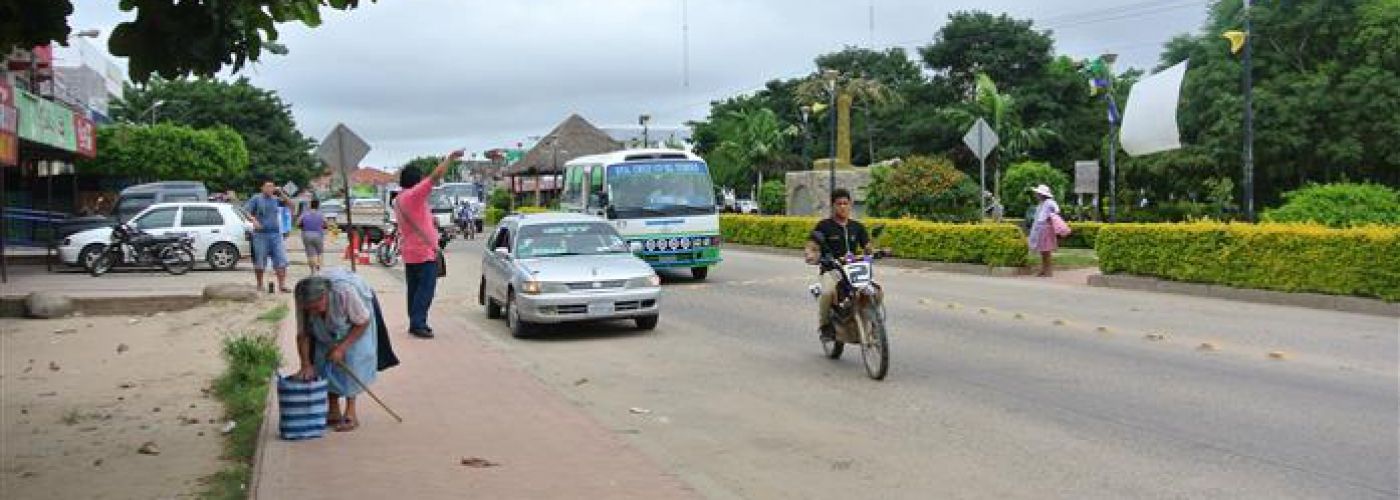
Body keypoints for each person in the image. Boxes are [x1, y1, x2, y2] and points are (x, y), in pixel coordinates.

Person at [292, 270, 383, 432]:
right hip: (329, 325)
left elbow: (362, 322)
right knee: (322, 359)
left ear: (325, 296)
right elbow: (303, 333)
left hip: (356, 321)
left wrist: (342, 348)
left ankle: (351, 411)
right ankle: (333, 410)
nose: (312, 312)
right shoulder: (303, 300)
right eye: (309, 309)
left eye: (316, 307)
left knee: (352, 358)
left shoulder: (344, 293)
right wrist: (305, 364)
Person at [397, 149, 465, 338]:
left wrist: (430, 220)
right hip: (423, 252)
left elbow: (418, 217)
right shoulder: (413, 196)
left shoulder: (400, 198)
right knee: (425, 290)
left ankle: (414, 320)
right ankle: (418, 323)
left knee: (414, 289)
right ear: (416, 181)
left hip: (411, 252)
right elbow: (435, 177)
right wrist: (450, 158)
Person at [803, 188, 872, 342]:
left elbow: (867, 246)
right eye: (839, 203)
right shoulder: (823, 226)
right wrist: (811, 255)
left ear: (850, 205)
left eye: (845, 203)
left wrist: (875, 251)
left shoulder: (857, 227)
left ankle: (873, 321)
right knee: (827, 293)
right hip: (832, 270)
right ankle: (824, 326)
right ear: (832, 206)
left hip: (853, 270)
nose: (842, 207)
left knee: (875, 292)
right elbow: (812, 246)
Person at [243, 181, 292, 293]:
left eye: (272, 187)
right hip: (260, 235)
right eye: (268, 186)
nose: (270, 189)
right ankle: (260, 284)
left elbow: (290, 205)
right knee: (260, 261)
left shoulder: (276, 199)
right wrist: (253, 220)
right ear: (262, 188)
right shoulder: (256, 198)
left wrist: (281, 192)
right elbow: (245, 211)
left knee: (281, 260)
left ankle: (282, 285)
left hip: (275, 234)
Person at [1028, 184, 1061, 277]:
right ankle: (1043, 269)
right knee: (1042, 250)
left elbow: (1057, 210)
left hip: (1046, 227)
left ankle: (1048, 271)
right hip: (1040, 227)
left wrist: (1050, 217)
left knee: (1046, 250)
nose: (1036, 195)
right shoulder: (1041, 204)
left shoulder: (1049, 202)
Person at [299, 199, 327, 274]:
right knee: (320, 252)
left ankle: (312, 271)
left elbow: (298, 222)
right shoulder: (320, 214)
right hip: (318, 234)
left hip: (306, 234)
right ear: (318, 206)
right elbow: (325, 223)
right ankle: (319, 267)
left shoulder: (305, 213)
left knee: (310, 253)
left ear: (310, 205)